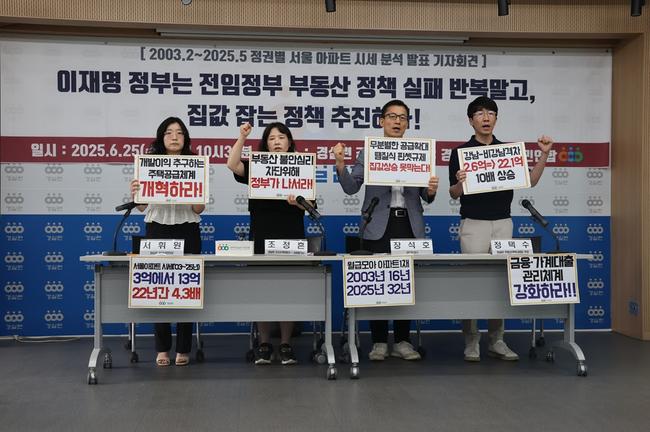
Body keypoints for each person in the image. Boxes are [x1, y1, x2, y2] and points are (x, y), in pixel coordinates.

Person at [332, 99, 439, 361]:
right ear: (382, 121)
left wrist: (431, 190)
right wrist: (341, 164)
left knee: (405, 283)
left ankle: (403, 341)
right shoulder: (369, 152)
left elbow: (426, 196)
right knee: (377, 283)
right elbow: (351, 187)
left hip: (408, 223)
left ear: (407, 124)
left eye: (402, 117)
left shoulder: (418, 152)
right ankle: (379, 342)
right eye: (392, 116)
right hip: (378, 223)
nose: (397, 121)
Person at [448, 96, 553, 362]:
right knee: (473, 284)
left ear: (496, 119)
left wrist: (544, 154)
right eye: (479, 113)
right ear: (471, 120)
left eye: (491, 113)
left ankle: (497, 340)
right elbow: (453, 193)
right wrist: (460, 182)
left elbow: (531, 181)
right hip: (473, 224)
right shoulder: (461, 153)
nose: (486, 117)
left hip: (503, 223)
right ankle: (471, 340)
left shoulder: (507, 152)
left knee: (500, 283)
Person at [227, 121, 309, 365]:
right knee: (261, 291)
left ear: (289, 142)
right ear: (265, 144)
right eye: (271, 138)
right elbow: (232, 164)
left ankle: (285, 343)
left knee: (288, 293)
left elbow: (311, 205)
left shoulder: (301, 166)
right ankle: (264, 343)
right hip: (262, 235)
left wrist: (299, 203)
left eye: (281, 137)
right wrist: (242, 137)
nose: (277, 142)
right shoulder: (257, 166)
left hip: (291, 236)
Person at [129, 116, 205, 367]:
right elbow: (142, 207)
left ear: (186, 138)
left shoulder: (196, 164)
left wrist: (197, 188)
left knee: (186, 289)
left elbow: (199, 208)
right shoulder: (148, 164)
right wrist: (136, 192)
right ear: (161, 138)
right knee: (158, 288)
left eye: (179, 132)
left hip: (187, 229)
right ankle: (162, 348)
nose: (174, 136)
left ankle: (183, 348)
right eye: (169, 132)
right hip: (157, 228)